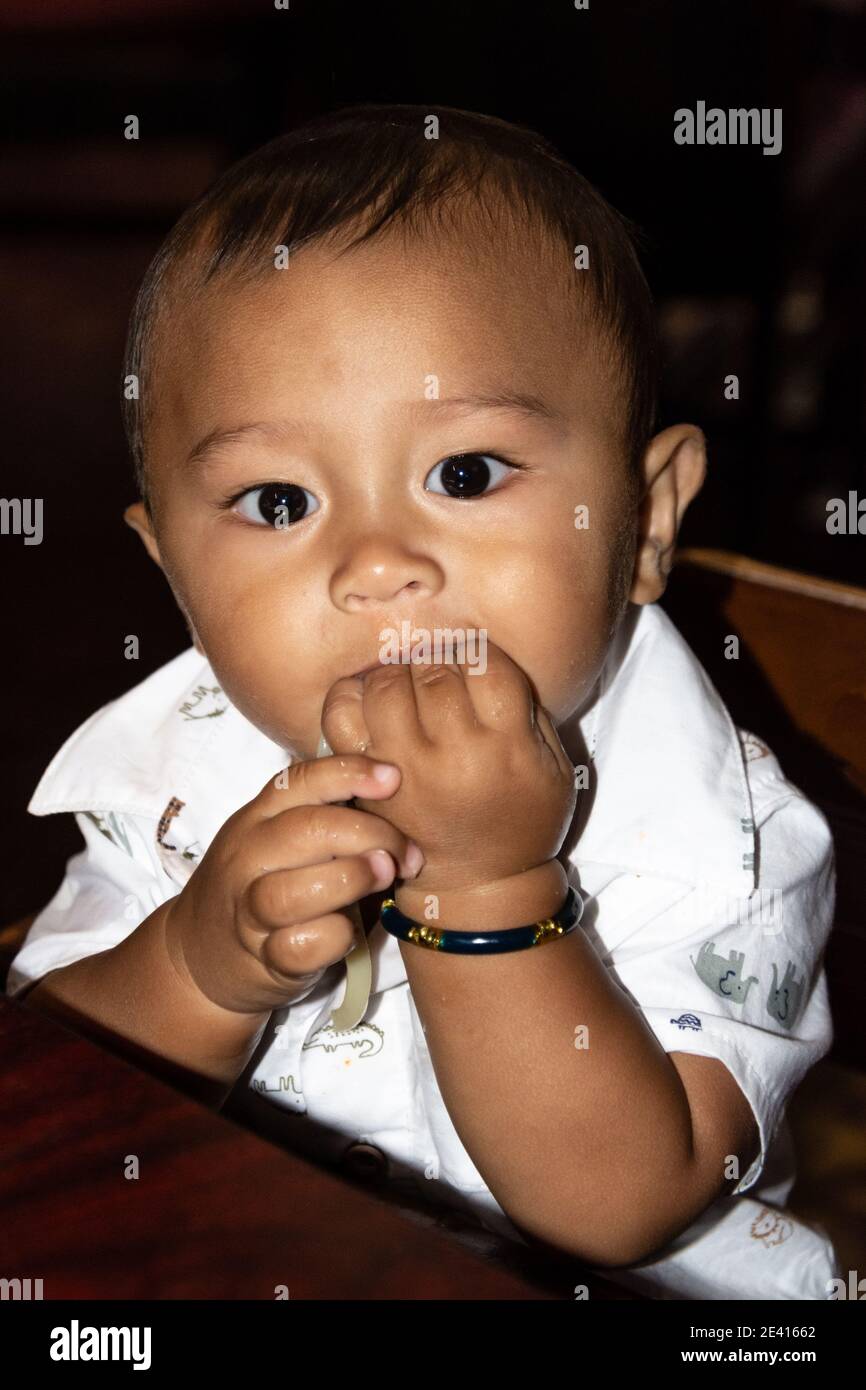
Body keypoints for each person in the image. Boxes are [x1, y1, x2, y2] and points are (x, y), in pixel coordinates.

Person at [7, 103, 840, 1299]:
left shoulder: (720, 836)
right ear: (173, 577)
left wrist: (487, 893)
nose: (375, 562)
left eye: (465, 473)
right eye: (279, 502)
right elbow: (53, 1093)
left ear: (646, 522)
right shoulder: (179, 772)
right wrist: (193, 972)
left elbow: (617, 1207)